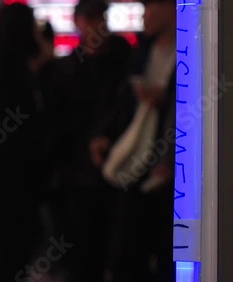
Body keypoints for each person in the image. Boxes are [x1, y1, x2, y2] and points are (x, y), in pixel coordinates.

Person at [90, 0, 176, 281]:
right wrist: (106, 135)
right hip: (137, 153)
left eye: (151, 9)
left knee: (169, 248)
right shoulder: (140, 53)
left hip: (171, 164)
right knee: (126, 248)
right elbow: (122, 103)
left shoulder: (192, 53)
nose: (144, 17)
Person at [50, 0, 133, 281]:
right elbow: (60, 121)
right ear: (78, 22)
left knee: (119, 249)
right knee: (84, 252)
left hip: (121, 166)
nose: (96, 25)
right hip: (79, 173)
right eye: (90, 18)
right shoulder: (67, 69)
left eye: (99, 18)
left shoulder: (124, 61)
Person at [0, 4, 45, 281]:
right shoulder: (20, 77)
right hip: (21, 173)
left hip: (0, 172)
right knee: (19, 243)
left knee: (8, 242)